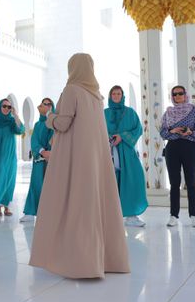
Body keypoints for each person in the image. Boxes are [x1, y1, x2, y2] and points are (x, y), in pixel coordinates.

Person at [30, 53, 130, 279]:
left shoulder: (72, 90)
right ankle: (104, 260)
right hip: (95, 159)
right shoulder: (97, 96)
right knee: (94, 203)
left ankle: (79, 262)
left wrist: (49, 116)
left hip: (75, 157)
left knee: (73, 204)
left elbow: (63, 124)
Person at [160, 85, 195, 228]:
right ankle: (173, 215)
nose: (177, 96)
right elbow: (163, 133)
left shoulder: (194, 111)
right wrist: (172, 130)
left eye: (180, 93)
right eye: (174, 94)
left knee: (191, 183)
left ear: (185, 94)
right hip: (172, 149)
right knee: (174, 184)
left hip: (190, 148)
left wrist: (190, 132)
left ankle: (193, 215)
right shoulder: (168, 113)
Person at [104, 85, 148, 227]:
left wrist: (122, 136)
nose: (116, 96)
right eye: (114, 94)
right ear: (110, 96)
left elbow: (138, 129)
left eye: (119, 94)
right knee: (110, 182)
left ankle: (131, 215)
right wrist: (110, 138)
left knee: (133, 178)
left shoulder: (130, 113)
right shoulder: (103, 113)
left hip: (127, 152)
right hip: (108, 151)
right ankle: (110, 216)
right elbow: (97, 130)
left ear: (122, 96)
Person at [20, 98, 54, 222]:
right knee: (36, 184)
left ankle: (50, 213)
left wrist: (51, 152)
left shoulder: (55, 123)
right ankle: (30, 212)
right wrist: (42, 152)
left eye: (49, 104)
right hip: (40, 159)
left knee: (51, 186)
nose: (46, 106)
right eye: (44, 104)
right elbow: (34, 141)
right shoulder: (38, 124)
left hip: (53, 159)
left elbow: (57, 137)